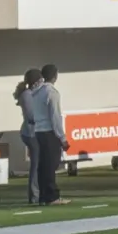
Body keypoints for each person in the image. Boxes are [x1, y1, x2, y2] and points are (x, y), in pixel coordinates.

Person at [28, 64, 70, 206]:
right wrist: (62, 138)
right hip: (48, 132)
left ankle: (43, 196)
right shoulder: (51, 92)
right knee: (51, 165)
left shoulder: (35, 92)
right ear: (54, 76)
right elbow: (55, 117)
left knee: (42, 166)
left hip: (37, 131)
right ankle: (52, 196)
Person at [14, 68, 41, 204]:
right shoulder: (28, 95)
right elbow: (32, 116)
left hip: (31, 132)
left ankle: (36, 193)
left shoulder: (30, 94)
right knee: (36, 165)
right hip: (30, 133)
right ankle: (34, 195)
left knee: (38, 163)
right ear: (35, 82)